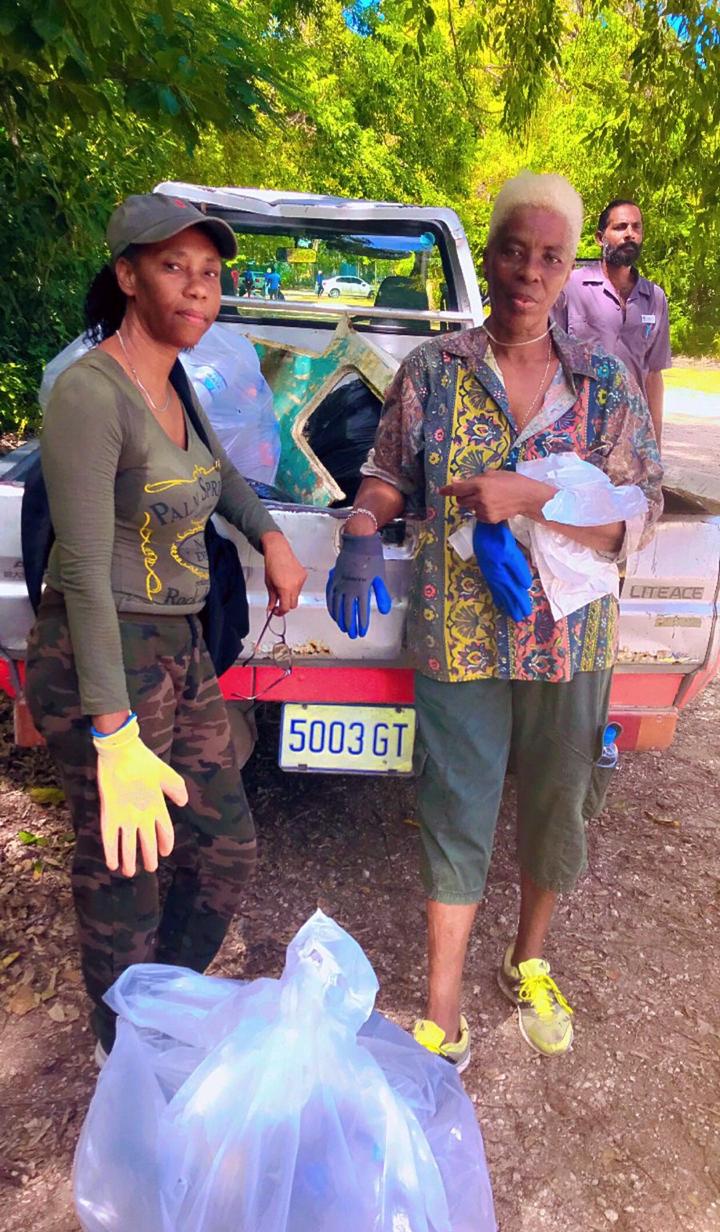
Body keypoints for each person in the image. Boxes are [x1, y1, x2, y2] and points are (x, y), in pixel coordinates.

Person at [326, 172, 662, 1065]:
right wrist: (363, 522)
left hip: (571, 638)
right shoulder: (433, 372)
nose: (529, 270)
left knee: (559, 806)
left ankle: (530, 959)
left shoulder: (606, 381)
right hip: (460, 634)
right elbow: (392, 471)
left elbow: (637, 513)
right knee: (453, 805)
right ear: (490, 251)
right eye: (514, 249)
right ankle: (442, 1004)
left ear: (569, 268)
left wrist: (534, 497)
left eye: (551, 255)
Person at [24, 193, 307, 1061]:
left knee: (226, 850)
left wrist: (269, 535)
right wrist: (113, 735)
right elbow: (78, 570)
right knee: (126, 867)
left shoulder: (174, 380)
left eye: (211, 274)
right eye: (174, 268)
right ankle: (122, 1045)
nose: (197, 289)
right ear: (127, 276)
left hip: (179, 648)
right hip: (101, 652)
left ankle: (158, 1005)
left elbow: (217, 474)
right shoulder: (89, 391)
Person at [553, 200, 671, 446]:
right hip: (578, 429)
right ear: (599, 237)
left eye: (636, 228)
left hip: (631, 432)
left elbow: (653, 376)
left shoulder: (655, 298)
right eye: (620, 227)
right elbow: (547, 360)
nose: (630, 234)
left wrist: (655, 443)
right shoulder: (569, 288)